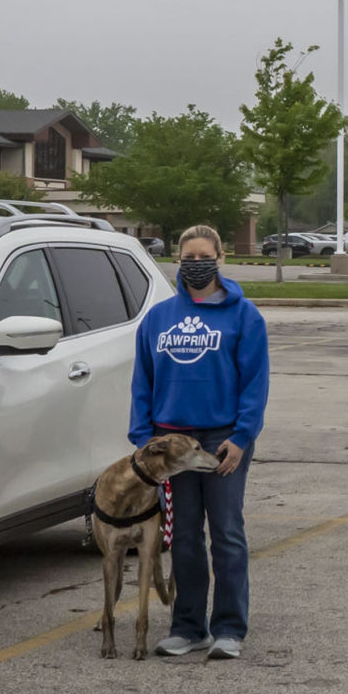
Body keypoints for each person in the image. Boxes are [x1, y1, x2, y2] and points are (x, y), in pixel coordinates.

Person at [130, 225, 269, 660]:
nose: (195, 264)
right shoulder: (158, 318)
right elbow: (142, 382)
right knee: (184, 537)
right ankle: (189, 627)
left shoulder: (245, 316)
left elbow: (255, 384)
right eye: (187, 257)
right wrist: (144, 440)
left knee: (227, 533)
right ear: (178, 259)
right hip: (171, 446)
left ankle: (229, 627)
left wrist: (241, 437)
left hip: (221, 440)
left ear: (220, 259)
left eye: (204, 256)